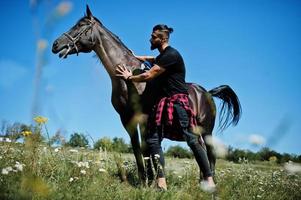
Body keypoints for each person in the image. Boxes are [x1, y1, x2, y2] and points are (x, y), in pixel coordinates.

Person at [116, 24, 216, 191]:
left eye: (153, 36)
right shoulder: (164, 55)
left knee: (192, 140)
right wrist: (137, 56)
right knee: (152, 140)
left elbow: (148, 75)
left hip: (178, 103)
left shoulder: (171, 55)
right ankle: (161, 183)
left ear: (162, 39)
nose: (150, 39)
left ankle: (210, 180)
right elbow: (152, 59)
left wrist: (129, 77)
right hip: (164, 103)